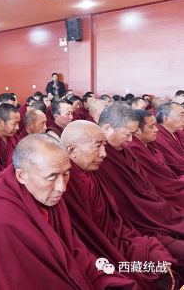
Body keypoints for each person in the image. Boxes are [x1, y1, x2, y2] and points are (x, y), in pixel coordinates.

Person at [0, 134, 137, 290]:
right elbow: (27, 282)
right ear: (22, 175)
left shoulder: (45, 195)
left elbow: (74, 252)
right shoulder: (1, 221)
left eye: (66, 174)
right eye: (51, 177)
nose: (62, 188)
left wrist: (109, 278)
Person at [61, 120, 175, 288]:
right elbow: (77, 239)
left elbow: (115, 220)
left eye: (104, 146)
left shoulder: (91, 173)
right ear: (71, 150)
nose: (104, 154)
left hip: (115, 243)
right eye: (97, 146)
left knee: (157, 257)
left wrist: (134, 241)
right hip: (95, 254)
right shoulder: (64, 183)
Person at [94, 102, 184, 264]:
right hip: (136, 227)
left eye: (133, 134)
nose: (131, 140)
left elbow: (147, 191)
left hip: (155, 215)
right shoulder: (97, 159)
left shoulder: (125, 150)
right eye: (127, 134)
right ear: (107, 129)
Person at [127, 110, 184, 211]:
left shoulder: (150, 143)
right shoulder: (133, 149)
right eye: (151, 126)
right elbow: (157, 182)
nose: (156, 130)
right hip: (165, 192)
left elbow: (167, 172)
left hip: (172, 184)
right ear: (137, 130)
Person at [151, 102, 184, 176]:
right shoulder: (157, 138)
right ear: (166, 119)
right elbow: (174, 166)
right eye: (181, 115)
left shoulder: (179, 133)